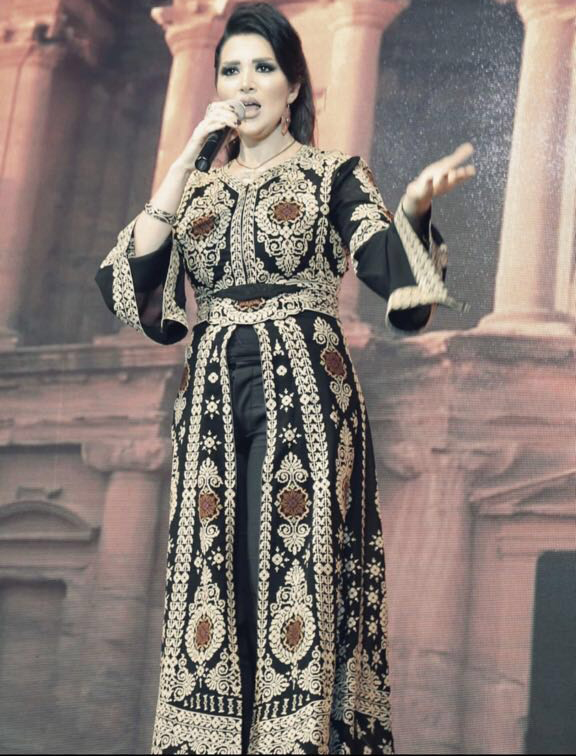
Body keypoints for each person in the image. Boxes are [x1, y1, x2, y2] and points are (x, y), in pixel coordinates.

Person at [95, 3, 475, 753]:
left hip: (304, 387)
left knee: (290, 567)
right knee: (213, 574)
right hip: (210, 394)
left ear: (294, 85)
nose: (245, 84)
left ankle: (294, 741)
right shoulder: (195, 192)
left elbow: (398, 286)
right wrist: (185, 157)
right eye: (230, 70)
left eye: (263, 68)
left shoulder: (333, 175)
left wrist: (414, 207)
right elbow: (129, 288)